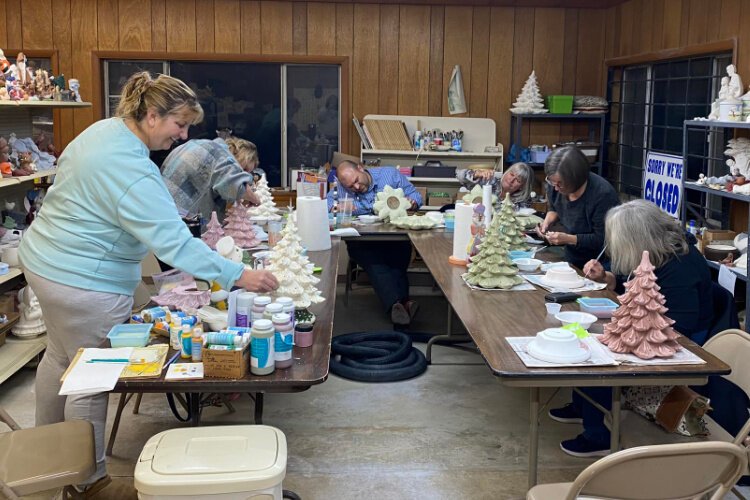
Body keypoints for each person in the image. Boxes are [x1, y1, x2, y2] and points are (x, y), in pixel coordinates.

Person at [18, 71, 278, 495]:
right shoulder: (132, 169)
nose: (183, 135)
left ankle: (42, 452)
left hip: (44, 263)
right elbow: (175, 243)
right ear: (152, 115)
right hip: (83, 281)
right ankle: (88, 478)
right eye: (180, 124)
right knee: (92, 374)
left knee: (60, 357)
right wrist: (239, 275)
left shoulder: (103, 132)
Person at [550, 200, 714, 458]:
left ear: (637, 238)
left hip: (679, 340)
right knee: (582, 336)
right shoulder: (657, 253)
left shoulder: (680, 267)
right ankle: (582, 407)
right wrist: (607, 279)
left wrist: (625, 333)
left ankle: (599, 435)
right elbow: (634, 288)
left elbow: (680, 328)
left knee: (598, 356)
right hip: (652, 330)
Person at [327, 160, 422, 326]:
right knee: (375, 262)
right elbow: (328, 206)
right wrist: (338, 207)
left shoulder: (390, 175)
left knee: (398, 260)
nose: (355, 187)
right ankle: (400, 305)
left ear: (360, 168)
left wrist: (412, 202)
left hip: (393, 237)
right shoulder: (341, 187)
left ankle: (399, 306)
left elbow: (416, 197)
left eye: (356, 181)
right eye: (350, 186)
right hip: (361, 240)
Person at [536, 146, 620, 269]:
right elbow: (555, 207)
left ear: (576, 179)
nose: (555, 188)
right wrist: (547, 223)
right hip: (572, 257)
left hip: (599, 264)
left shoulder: (602, 195)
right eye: (552, 182)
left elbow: (602, 239)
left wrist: (568, 239)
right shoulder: (554, 185)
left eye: (560, 184)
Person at [161, 135, 261, 226]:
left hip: (161, 214)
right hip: (175, 223)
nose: (244, 175)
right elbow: (237, 187)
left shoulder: (195, 145)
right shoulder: (220, 155)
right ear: (238, 155)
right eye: (244, 169)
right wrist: (254, 198)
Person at [456, 162, 534, 207]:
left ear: (522, 186)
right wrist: (476, 174)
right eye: (512, 174)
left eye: (518, 180)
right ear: (507, 172)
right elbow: (459, 175)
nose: (512, 180)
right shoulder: (489, 180)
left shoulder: (523, 199)